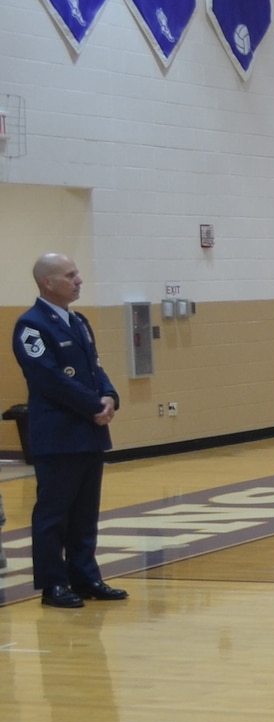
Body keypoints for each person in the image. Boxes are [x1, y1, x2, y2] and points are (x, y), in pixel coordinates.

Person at [11, 254, 125, 608]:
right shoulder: (31, 325)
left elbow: (95, 367)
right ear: (48, 282)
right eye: (70, 275)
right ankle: (53, 583)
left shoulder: (79, 321)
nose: (79, 281)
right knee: (54, 513)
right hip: (59, 436)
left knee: (85, 512)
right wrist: (93, 406)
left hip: (88, 434)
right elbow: (49, 379)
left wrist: (108, 396)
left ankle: (85, 575)